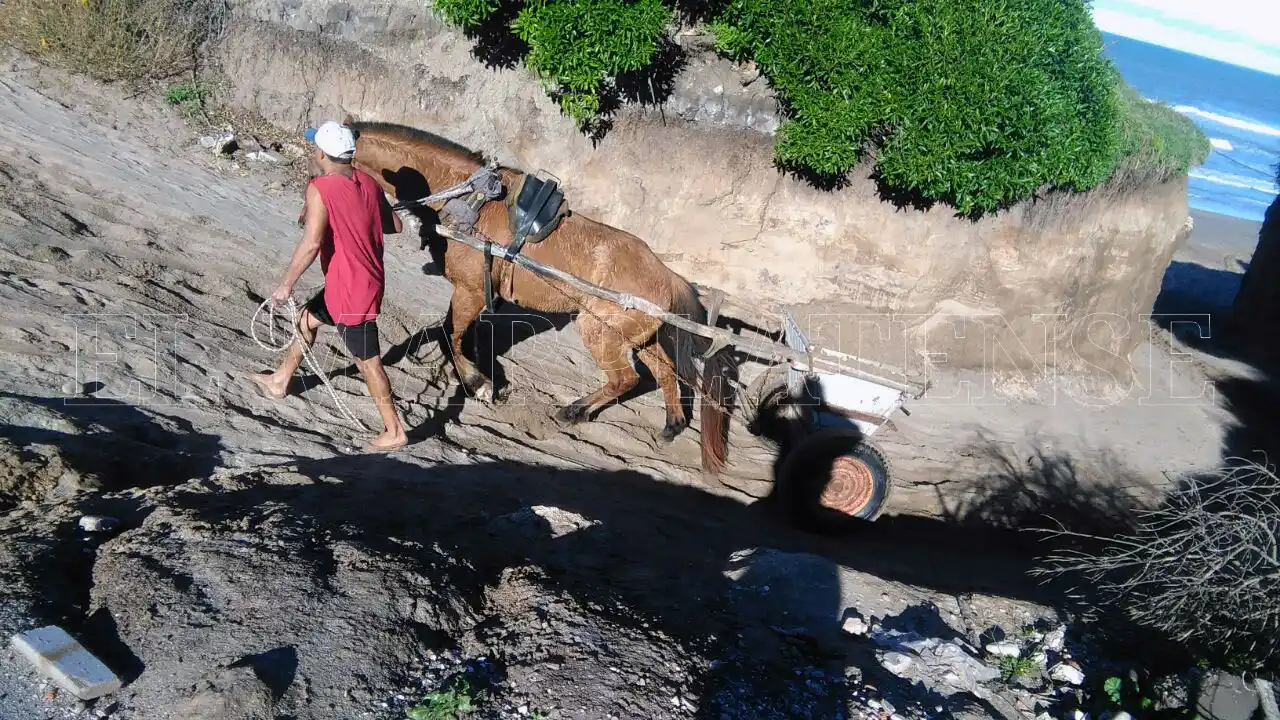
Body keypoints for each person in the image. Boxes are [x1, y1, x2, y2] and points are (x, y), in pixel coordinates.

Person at [252, 120, 408, 451]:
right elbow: (395, 225)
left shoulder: (320, 187)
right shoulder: (369, 181)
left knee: (368, 361)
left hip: (353, 289)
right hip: (358, 280)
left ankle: (394, 430)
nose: (313, 152)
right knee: (307, 319)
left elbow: (310, 244)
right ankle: (281, 381)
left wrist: (285, 285)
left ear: (322, 153)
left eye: (314, 148)